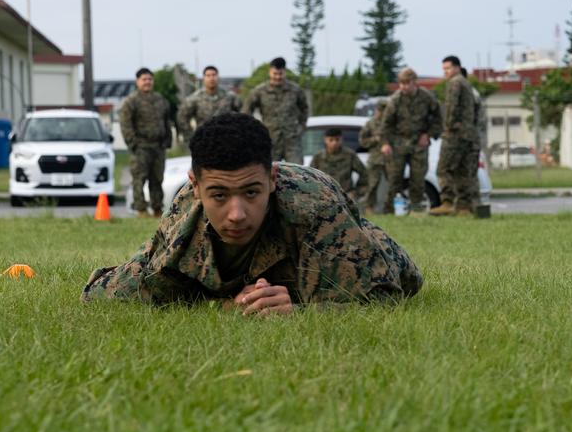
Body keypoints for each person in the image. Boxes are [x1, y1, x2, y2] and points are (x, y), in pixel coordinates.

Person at [82, 112, 423, 311]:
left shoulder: (316, 210)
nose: (236, 214)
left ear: (272, 179)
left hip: (322, 243)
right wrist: (221, 301)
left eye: (251, 192)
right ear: (196, 186)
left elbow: (385, 294)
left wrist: (299, 308)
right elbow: (103, 293)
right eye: (218, 195)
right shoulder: (184, 216)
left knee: (404, 274)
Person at [380, 68, 442, 216]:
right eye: (401, 83)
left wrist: (428, 134)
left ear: (415, 82)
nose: (403, 86)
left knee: (418, 179)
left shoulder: (427, 98)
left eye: (407, 83)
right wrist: (385, 143)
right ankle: (392, 211)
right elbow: (385, 124)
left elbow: (438, 119)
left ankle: (416, 211)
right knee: (395, 178)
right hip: (398, 142)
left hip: (418, 142)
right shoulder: (395, 99)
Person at [430, 56, 479, 216]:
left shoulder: (454, 83)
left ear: (457, 68)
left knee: (443, 169)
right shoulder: (467, 83)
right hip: (469, 134)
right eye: (444, 69)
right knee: (463, 171)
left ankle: (447, 202)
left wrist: (448, 128)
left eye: (448, 68)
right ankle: (464, 207)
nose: (446, 72)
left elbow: (451, 108)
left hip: (455, 134)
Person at [120, 67, 173, 217]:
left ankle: (157, 208)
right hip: (140, 147)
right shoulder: (131, 101)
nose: (147, 82)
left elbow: (166, 121)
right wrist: (133, 143)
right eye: (144, 79)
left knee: (157, 179)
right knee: (139, 179)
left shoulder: (160, 100)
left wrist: (167, 141)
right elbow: (125, 124)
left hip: (158, 147)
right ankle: (141, 210)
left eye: (150, 79)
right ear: (137, 81)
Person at [242, 57, 309, 163]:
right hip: (270, 140)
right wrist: (255, 132)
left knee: (297, 173)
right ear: (270, 72)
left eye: (280, 74)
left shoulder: (295, 90)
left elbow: (304, 109)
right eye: (275, 73)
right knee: (268, 172)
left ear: (285, 72)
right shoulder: (259, 91)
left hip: (291, 141)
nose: (278, 77)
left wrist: (301, 127)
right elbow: (246, 112)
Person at [176, 65, 241, 141]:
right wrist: (191, 136)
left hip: (227, 139)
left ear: (218, 77)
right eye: (208, 75)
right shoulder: (195, 98)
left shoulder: (230, 97)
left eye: (214, 75)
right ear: (204, 78)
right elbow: (182, 117)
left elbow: (241, 114)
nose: (211, 78)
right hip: (204, 141)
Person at [309, 127, 369, 202]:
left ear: (341, 140)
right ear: (325, 140)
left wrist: (357, 192)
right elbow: (310, 176)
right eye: (331, 140)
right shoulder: (318, 157)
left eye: (337, 139)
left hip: (345, 195)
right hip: (324, 195)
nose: (334, 143)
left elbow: (364, 174)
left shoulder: (349, 155)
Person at [359, 100, 398, 214]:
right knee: (372, 184)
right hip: (375, 158)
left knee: (393, 184)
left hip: (391, 158)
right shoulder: (370, 124)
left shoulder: (393, 125)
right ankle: (369, 208)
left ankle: (389, 209)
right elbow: (362, 141)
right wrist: (375, 140)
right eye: (380, 111)